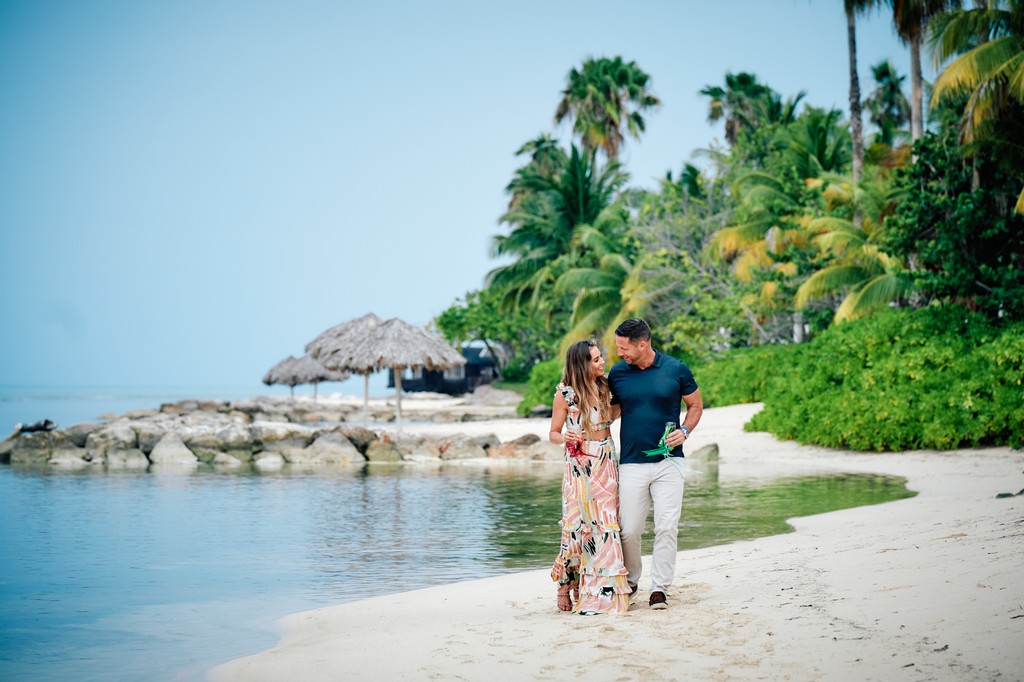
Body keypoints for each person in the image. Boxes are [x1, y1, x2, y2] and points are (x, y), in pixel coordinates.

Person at [608, 318, 703, 610]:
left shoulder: (676, 368)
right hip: (631, 462)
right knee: (629, 529)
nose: (620, 353)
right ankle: (632, 581)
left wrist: (685, 431)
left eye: (624, 348)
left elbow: (695, 405)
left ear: (642, 344)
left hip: (669, 462)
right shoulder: (618, 373)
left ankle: (659, 589)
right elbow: (611, 413)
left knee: (666, 527)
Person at [548, 339, 630, 615]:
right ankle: (565, 585)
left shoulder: (605, 387)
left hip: (605, 458)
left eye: (600, 357)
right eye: (596, 359)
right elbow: (552, 434)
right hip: (579, 463)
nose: (602, 361)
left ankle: (600, 590)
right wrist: (565, 437)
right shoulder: (566, 394)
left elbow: (611, 416)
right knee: (578, 523)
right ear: (581, 364)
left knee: (605, 522)